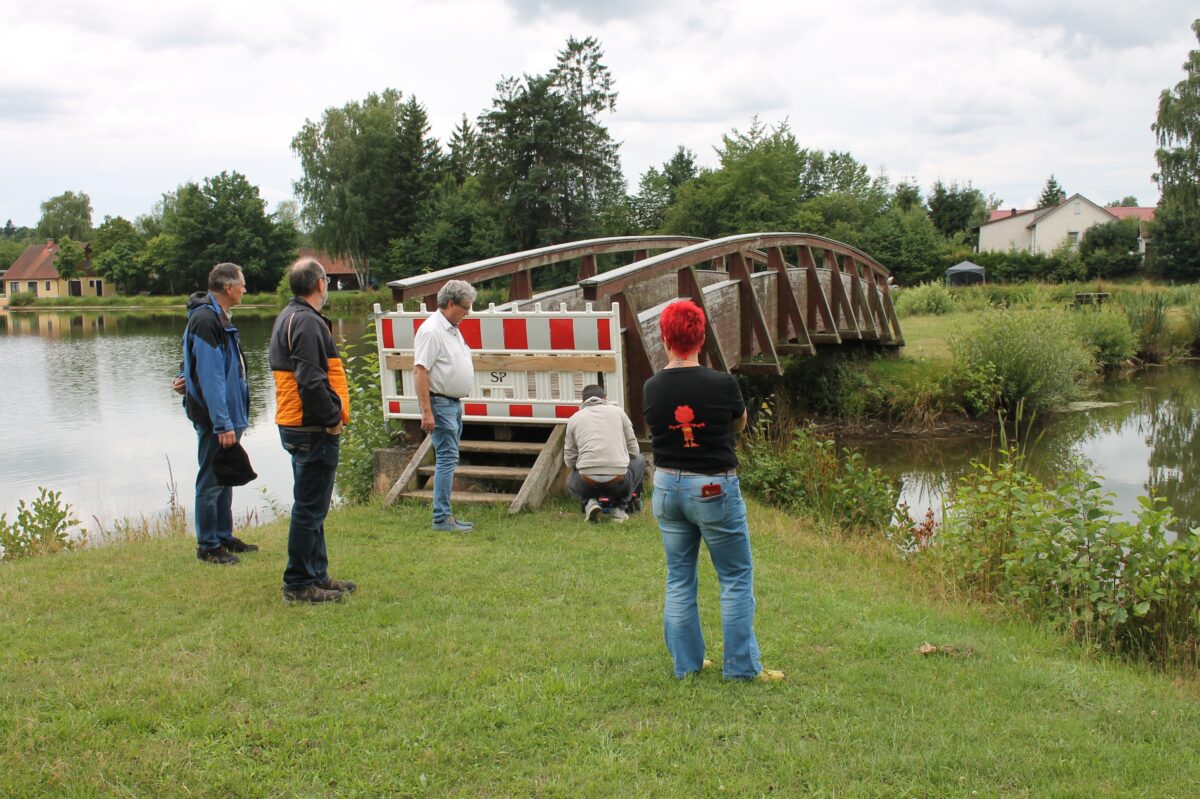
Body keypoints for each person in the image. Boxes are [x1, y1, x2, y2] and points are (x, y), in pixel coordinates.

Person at [643, 299, 784, 682]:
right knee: (735, 577)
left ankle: (687, 666)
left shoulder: (652, 387)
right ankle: (741, 669)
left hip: (668, 487)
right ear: (701, 338)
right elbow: (739, 425)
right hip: (712, 488)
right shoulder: (722, 383)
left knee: (678, 577)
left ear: (665, 339)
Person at [269, 257, 357, 603]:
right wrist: (332, 418)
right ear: (321, 283)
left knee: (314, 505)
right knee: (309, 508)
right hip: (311, 427)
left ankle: (317, 574)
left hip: (297, 424)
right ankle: (298, 584)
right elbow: (310, 379)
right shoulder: (305, 322)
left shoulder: (291, 317)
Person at [181, 262, 258, 565]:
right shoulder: (205, 319)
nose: (244, 289)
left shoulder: (218, 316)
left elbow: (192, 361)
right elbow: (211, 377)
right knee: (211, 479)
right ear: (228, 288)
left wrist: (182, 376)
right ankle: (208, 545)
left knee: (225, 475)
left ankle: (223, 536)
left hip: (228, 416)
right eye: (242, 284)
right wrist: (222, 423)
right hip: (216, 419)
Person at [413, 279, 477, 532]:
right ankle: (441, 518)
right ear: (450, 303)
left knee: (450, 457)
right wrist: (426, 412)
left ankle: (446, 515)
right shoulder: (431, 331)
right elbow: (420, 371)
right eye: (465, 307)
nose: (467, 313)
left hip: (452, 402)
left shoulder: (451, 327)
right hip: (440, 403)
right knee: (447, 459)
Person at [564, 384, 645, 523]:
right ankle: (619, 508)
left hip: (586, 483)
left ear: (582, 402)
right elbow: (634, 450)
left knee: (570, 480)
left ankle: (589, 502)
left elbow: (570, 460)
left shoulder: (574, 419)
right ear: (605, 398)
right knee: (640, 459)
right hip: (619, 482)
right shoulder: (619, 413)